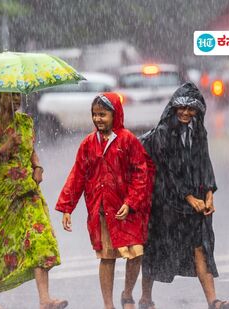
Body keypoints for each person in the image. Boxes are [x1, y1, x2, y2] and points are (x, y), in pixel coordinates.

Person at [138, 82, 229, 309]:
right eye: (181, 107)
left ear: (198, 111)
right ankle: (145, 298)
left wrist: (209, 194)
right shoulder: (163, 134)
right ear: (173, 108)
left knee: (200, 247)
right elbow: (169, 171)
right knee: (155, 248)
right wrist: (190, 198)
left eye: (191, 109)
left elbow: (204, 163)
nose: (185, 113)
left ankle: (213, 301)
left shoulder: (198, 131)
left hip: (195, 202)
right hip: (166, 202)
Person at [56, 93, 153, 309]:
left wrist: (130, 202)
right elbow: (77, 175)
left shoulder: (128, 140)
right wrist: (67, 208)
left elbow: (141, 174)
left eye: (103, 114)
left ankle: (127, 294)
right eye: (95, 114)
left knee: (135, 253)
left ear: (115, 114)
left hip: (129, 210)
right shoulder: (88, 144)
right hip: (103, 211)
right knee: (107, 257)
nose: (98, 119)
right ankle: (108, 305)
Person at [0, 92, 66, 309]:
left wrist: (37, 167)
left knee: (40, 237)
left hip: (27, 190)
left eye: (18, 95)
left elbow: (31, 151)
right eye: (11, 95)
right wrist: (4, 149)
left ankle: (45, 299)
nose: (17, 99)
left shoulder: (26, 122)